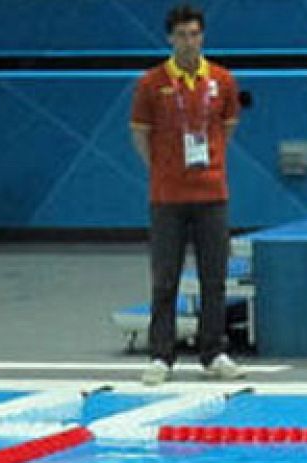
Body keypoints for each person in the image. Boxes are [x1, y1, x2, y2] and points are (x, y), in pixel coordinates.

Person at [130, 4, 245, 387]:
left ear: (203, 36)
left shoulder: (223, 80)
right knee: (165, 278)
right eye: (181, 35)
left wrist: (208, 165)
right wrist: (162, 169)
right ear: (169, 39)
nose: (188, 41)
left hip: (213, 193)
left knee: (215, 278)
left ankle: (214, 352)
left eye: (194, 34)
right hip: (167, 197)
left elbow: (226, 129)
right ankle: (161, 355)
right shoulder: (151, 83)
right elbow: (140, 134)